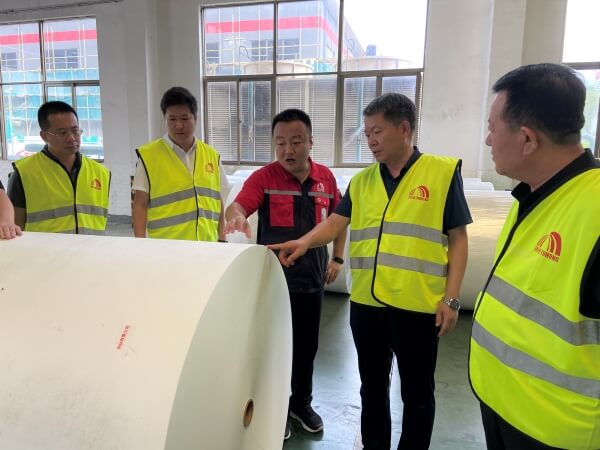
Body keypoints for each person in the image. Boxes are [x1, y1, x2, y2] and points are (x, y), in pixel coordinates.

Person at [269, 93, 472, 450]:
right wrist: (304, 242)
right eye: (366, 134)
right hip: (366, 305)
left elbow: (458, 238)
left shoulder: (440, 173)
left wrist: (452, 299)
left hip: (417, 305)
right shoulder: (363, 181)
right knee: (372, 388)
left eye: (377, 132)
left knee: (417, 393)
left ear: (404, 129)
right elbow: (335, 223)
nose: (371, 141)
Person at [469, 63, 600, 450]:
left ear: (527, 139)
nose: (488, 140)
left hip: (556, 430)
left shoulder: (593, 210)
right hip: (503, 403)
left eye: (492, 128)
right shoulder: (533, 194)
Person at [224, 109, 346, 440]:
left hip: (312, 282)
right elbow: (238, 206)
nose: (287, 150)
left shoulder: (326, 179)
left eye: (295, 141)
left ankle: (300, 404)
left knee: (307, 348)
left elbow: (340, 220)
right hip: (274, 284)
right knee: (274, 348)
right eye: (280, 143)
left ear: (310, 142)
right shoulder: (264, 178)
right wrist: (237, 217)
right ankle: (274, 408)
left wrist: (337, 258)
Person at [132, 86, 227, 241]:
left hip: (207, 246)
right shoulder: (149, 156)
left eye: (184, 118)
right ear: (165, 119)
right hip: (166, 247)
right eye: (172, 119)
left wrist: (222, 238)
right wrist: (140, 244)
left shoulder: (211, 155)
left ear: (195, 118)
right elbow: (140, 204)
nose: (178, 125)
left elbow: (217, 200)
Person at [7, 101, 110, 234]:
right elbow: (16, 226)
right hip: (43, 248)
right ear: (45, 136)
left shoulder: (100, 173)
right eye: (62, 133)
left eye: (75, 131)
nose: (71, 138)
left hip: (92, 247)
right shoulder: (24, 173)